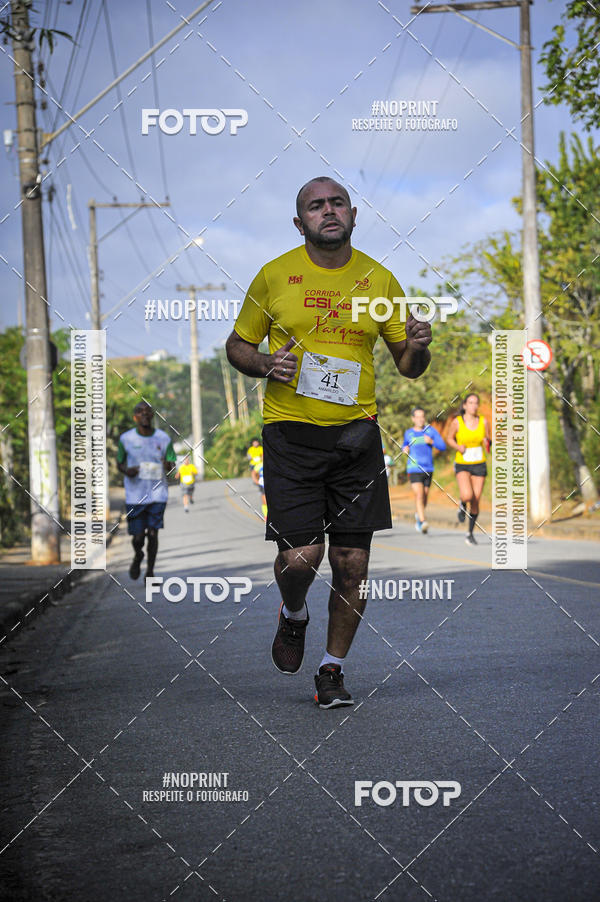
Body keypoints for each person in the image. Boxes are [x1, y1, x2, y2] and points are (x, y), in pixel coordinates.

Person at [226, 175, 432, 708]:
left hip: (357, 436)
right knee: (300, 559)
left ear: (354, 214)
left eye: (336, 202)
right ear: (300, 224)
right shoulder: (273, 277)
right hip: (290, 434)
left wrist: (418, 347)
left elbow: (407, 367)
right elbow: (237, 345)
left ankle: (332, 669)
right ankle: (294, 614)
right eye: (316, 206)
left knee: (352, 563)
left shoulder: (380, 280)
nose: (328, 211)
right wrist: (265, 362)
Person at [117, 401, 177, 579]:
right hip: (135, 495)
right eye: (140, 412)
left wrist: (168, 465)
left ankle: (150, 571)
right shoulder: (126, 439)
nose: (144, 414)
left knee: (153, 533)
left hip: (158, 494)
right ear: (135, 417)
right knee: (138, 538)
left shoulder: (163, 438)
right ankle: (138, 556)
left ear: (152, 416)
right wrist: (126, 470)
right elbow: (119, 462)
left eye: (148, 411)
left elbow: (171, 464)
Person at [446, 393, 491, 545]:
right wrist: (458, 446)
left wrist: (487, 442)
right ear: (464, 405)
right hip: (463, 462)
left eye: (476, 403)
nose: (474, 406)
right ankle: (462, 504)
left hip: (479, 463)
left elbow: (488, 440)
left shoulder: (483, 422)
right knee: (467, 495)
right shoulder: (457, 422)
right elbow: (449, 438)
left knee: (476, 500)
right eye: (470, 403)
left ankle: (470, 533)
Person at [402, 407, 446, 534]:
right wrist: (404, 449)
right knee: (419, 495)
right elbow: (404, 445)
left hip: (428, 468)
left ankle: (418, 515)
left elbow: (442, 446)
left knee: (425, 496)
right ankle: (423, 521)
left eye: (422, 416)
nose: (420, 419)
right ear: (413, 419)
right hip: (414, 467)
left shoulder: (430, 431)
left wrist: (431, 441)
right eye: (418, 417)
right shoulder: (408, 433)